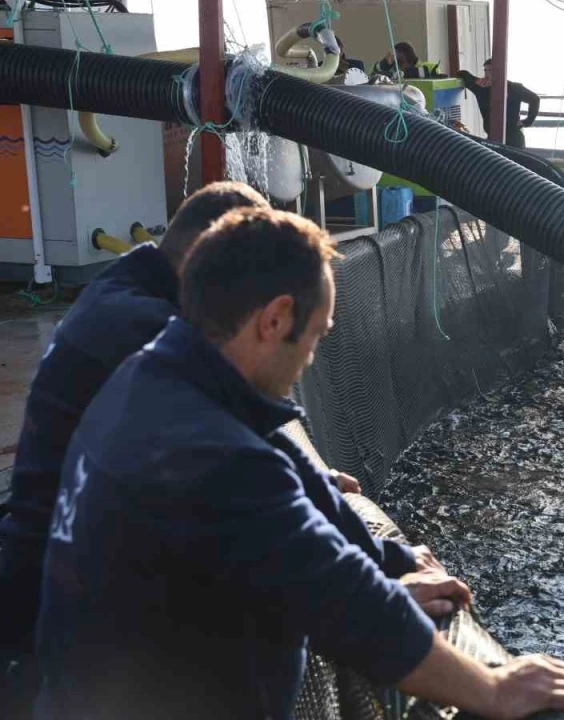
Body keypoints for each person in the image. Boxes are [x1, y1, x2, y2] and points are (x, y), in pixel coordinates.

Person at [34, 208, 564, 720]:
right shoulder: (219, 458)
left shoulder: (142, 379)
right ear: (275, 320)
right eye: (318, 334)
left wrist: (385, 573)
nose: (312, 357)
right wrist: (495, 688)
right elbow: (345, 602)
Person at [0, 184, 458, 719]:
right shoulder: (150, 334)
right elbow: (270, 457)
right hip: (49, 621)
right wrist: (386, 563)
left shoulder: (123, 290)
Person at [458, 58, 541, 148]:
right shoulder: (480, 87)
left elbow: (535, 99)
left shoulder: (514, 87)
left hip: (513, 137)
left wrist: (527, 121)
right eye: (485, 70)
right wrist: (476, 81)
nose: (487, 74)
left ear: (501, 71)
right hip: (492, 137)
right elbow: (463, 74)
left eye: (491, 70)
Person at [372, 41, 442, 80]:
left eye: (400, 62)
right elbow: (373, 75)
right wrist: (385, 63)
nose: (398, 67)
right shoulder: (393, 70)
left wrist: (405, 73)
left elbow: (436, 72)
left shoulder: (428, 67)